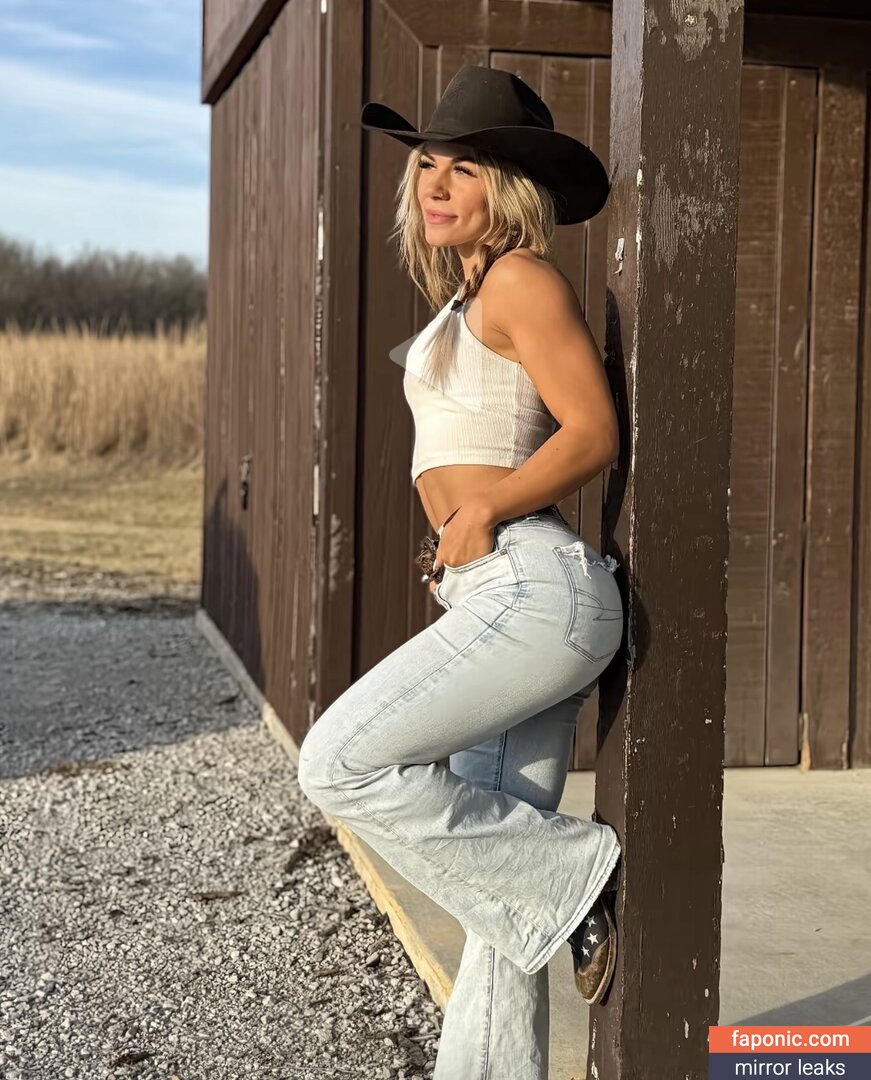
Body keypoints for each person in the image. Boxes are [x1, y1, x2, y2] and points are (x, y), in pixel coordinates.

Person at [297, 65, 624, 1079]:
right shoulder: (471, 294)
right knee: (499, 901)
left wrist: (481, 508)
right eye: (427, 166)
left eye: (464, 168)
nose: (434, 184)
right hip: (495, 590)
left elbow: (593, 431)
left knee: (336, 762)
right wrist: (458, 528)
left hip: (535, 589)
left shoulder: (521, 278)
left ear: (509, 187)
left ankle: (579, 872)